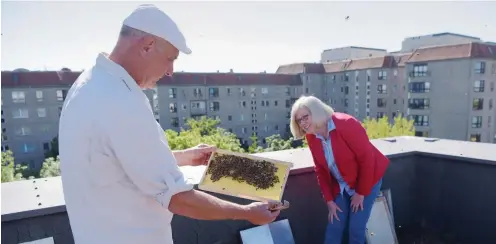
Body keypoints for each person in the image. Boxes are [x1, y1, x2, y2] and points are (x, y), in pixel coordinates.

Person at [58, 4, 279, 244]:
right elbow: (178, 198)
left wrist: (184, 157)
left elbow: (117, 161)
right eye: (170, 59)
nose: (171, 72)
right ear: (147, 46)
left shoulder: (88, 84)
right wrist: (246, 212)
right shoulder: (121, 101)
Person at [289, 96, 389, 244]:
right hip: (342, 185)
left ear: (317, 112)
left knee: (356, 229)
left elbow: (367, 159)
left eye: (305, 117)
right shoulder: (311, 136)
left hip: (367, 180)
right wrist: (329, 200)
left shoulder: (346, 124)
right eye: (299, 120)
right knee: (334, 227)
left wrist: (360, 193)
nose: (303, 123)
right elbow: (320, 169)